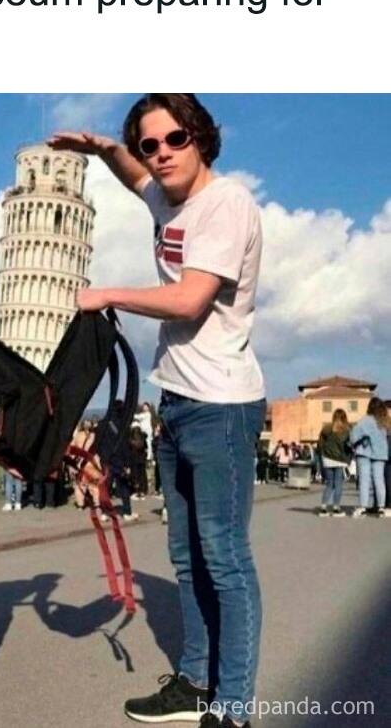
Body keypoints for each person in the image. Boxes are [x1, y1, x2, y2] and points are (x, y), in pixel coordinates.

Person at [49, 92, 267, 728]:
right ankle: (195, 682)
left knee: (223, 556)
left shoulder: (225, 205)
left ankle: (232, 708)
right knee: (185, 554)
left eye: (176, 140)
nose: (163, 154)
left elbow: (191, 299)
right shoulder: (166, 195)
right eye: (151, 144)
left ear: (200, 137)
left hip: (221, 404)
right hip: (175, 399)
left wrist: (105, 294)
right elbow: (136, 178)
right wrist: (104, 150)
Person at [349, 397, 390, 518]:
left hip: (365, 452)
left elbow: (353, 437)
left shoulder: (365, 421)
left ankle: (363, 507)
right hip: (381, 454)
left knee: (365, 480)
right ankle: (382, 507)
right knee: (379, 480)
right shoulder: (384, 421)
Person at [317, 409, 352, 517]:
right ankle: (336, 508)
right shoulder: (347, 430)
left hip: (327, 459)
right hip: (340, 460)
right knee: (338, 485)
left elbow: (320, 445)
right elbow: (350, 446)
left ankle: (323, 507)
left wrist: (323, 455)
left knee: (329, 484)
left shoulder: (326, 428)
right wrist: (348, 459)